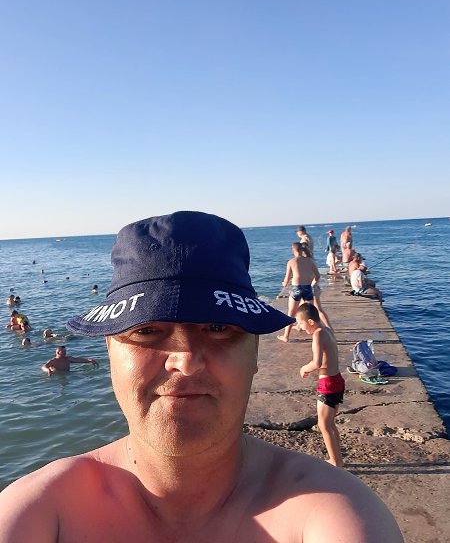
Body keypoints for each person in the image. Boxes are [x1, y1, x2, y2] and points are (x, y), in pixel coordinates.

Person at [0, 211, 403, 542]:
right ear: (110, 350)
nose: (186, 361)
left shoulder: (330, 513)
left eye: (218, 328)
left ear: (255, 350)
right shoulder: (39, 513)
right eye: (147, 330)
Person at [297, 303, 345, 467]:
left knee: (323, 425)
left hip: (328, 384)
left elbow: (316, 363)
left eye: (301, 323)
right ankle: (338, 458)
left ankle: (335, 462)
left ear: (310, 322)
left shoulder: (317, 335)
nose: (300, 327)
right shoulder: (328, 330)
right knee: (330, 423)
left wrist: (304, 368)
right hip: (337, 379)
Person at [277, 242, 320, 343]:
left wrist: (285, 284)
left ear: (293, 250)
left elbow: (287, 279)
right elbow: (317, 275)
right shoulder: (310, 261)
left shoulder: (292, 261)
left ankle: (286, 336)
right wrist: (313, 284)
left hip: (296, 288)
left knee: (291, 314)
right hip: (308, 288)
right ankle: (315, 335)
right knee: (310, 313)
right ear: (302, 249)